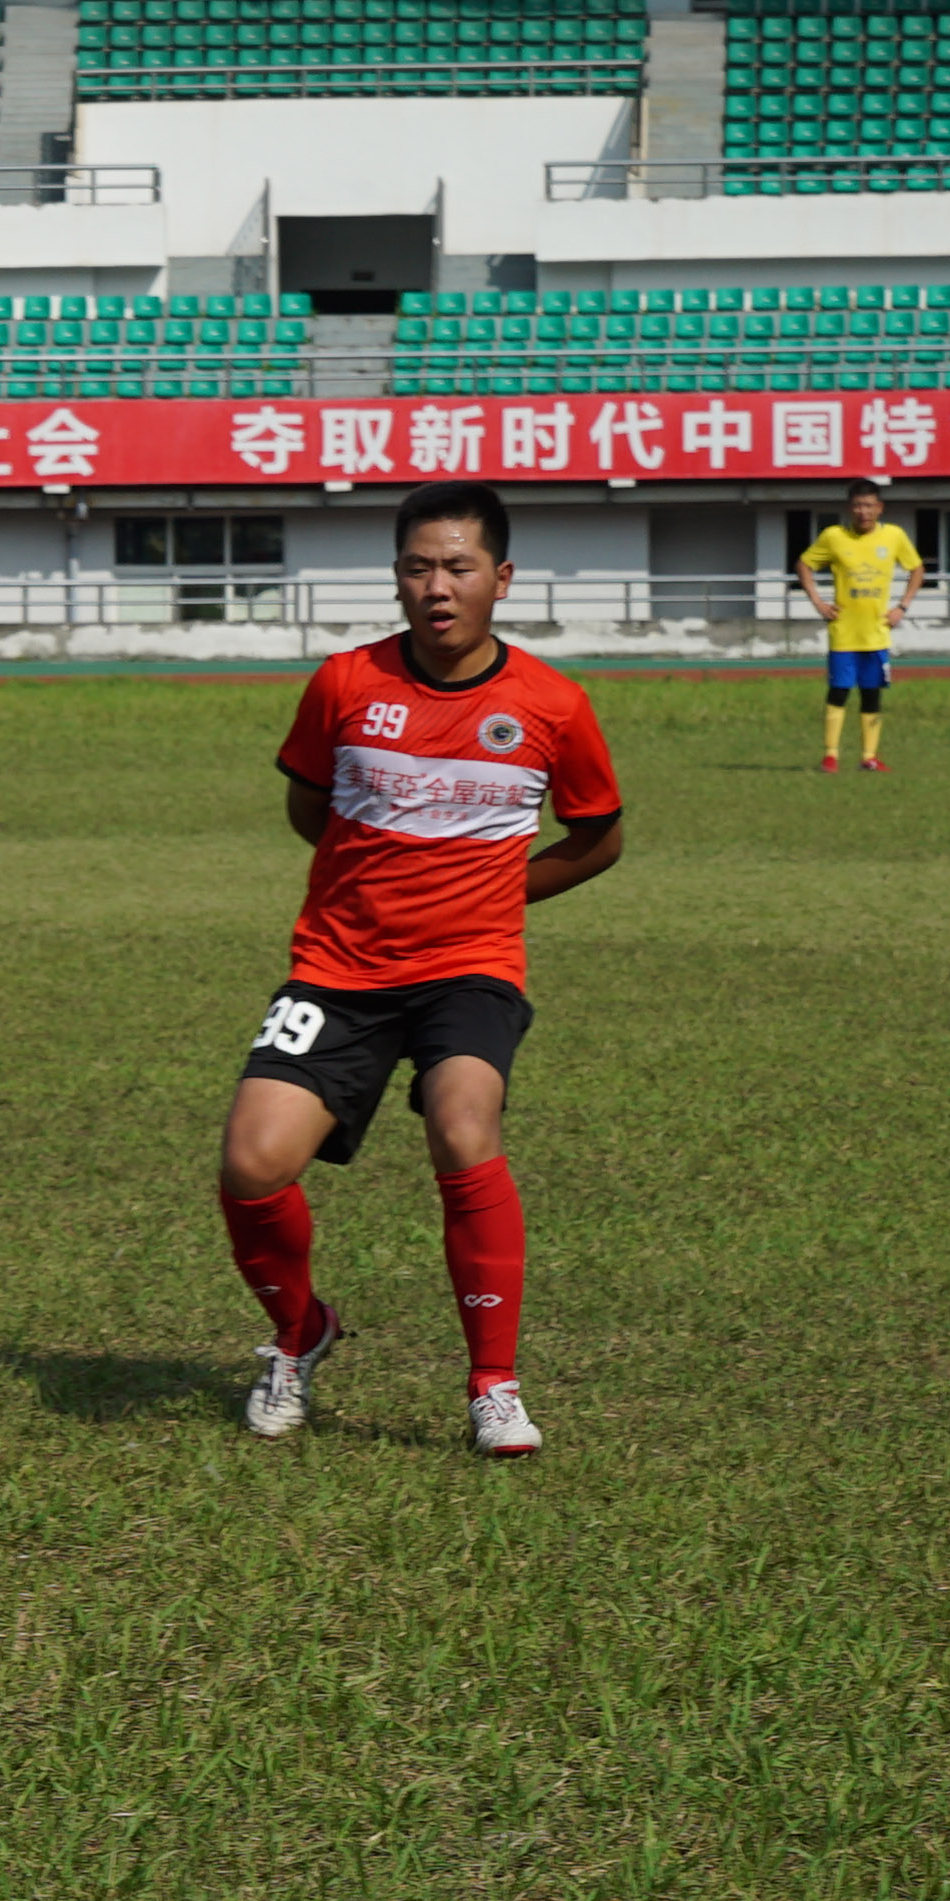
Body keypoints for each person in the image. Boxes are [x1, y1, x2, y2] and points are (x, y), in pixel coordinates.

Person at [215, 480, 625, 1459]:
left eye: (458, 567)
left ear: (501, 578)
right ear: (397, 578)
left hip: (470, 967)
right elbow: (312, 808)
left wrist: (492, 896)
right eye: (417, 568)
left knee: (463, 1123)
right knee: (251, 1164)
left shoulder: (553, 705)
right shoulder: (344, 683)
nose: (438, 587)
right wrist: (374, 882)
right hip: (337, 965)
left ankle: (494, 1386)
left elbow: (598, 838)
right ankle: (300, 1333)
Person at [797, 479, 924, 773]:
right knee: (838, 692)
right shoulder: (834, 536)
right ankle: (830, 756)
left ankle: (869, 757)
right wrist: (818, 602)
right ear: (849, 508)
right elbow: (804, 565)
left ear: (879, 508)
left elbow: (917, 569)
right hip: (844, 632)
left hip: (876, 633)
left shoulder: (893, 536)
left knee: (871, 694)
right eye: (857, 506)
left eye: (868, 505)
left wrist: (902, 606)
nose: (863, 511)